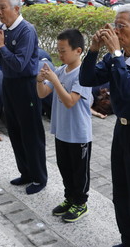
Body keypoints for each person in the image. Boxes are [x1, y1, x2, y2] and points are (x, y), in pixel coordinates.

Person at [79, 4, 130, 247]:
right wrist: (94, 50)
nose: (116, 32)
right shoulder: (116, 58)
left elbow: (129, 90)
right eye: (115, 26)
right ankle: (129, 241)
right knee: (122, 194)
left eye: (121, 27)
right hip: (121, 131)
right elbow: (87, 78)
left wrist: (116, 55)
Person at [0, 0, 47, 195]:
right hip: (9, 84)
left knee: (31, 133)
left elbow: (21, 64)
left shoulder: (26, 30)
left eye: (2, 8)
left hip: (26, 85)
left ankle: (39, 177)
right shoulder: (2, 29)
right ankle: (26, 172)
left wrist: (1, 46)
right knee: (14, 131)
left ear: (16, 8)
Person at [36, 29, 92, 223]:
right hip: (62, 132)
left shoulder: (83, 75)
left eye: (63, 51)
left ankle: (81, 203)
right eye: (58, 51)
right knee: (65, 168)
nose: (59, 55)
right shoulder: (61, 70)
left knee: (79, 171)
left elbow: (70, 101)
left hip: (79, 134)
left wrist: (55, 81)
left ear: (78, 50)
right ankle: (69, 199)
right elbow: (42, 94)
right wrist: (40, 80)